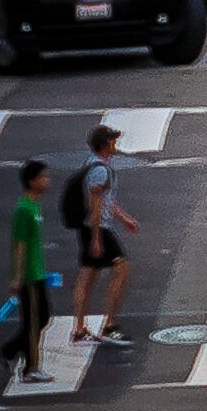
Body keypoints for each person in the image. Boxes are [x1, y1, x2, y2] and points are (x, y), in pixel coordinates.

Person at [65, 124, 130, 341]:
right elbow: (96, 206)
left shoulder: (91, 165)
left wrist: (124, 218)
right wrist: (95, 239)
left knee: (88, 276)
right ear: (104, 145)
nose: (115, 145)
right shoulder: (100, 170)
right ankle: (110, 324)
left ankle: (80, 327)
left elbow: (106, 202)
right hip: (98, 229)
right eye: (112, 141)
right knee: (121, 268)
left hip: (90, 228)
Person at [5, 157, 55, 381]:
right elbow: (20, 244)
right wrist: (17, 277)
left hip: (38, 271)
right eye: (43, 177)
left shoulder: (34, 205)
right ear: (32, 181)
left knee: (41, 317)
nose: (47, 180)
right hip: (29, 275)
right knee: (35, 321)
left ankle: (9, 351)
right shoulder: (24, 209)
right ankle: (30, 368)